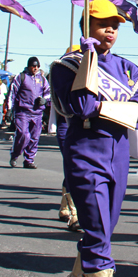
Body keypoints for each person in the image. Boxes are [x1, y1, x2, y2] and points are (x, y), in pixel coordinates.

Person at [50, 0, 138, 277]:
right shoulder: (66, 66)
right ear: (85, 26)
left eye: (115, 24)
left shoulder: (130, 69)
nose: (110, 29)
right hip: (85, 153)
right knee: (98, 228)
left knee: (105, 227)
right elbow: (78, 108)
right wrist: (88, 66)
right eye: (102, 23)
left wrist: (103, 109)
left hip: (118, 155)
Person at [8, 56, 50, 169]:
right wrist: (9, 109)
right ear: (29, 66)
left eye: (37, 66)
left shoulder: (42, 79)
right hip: (23, 112)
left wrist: (44, 100)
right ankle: (15, 155)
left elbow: (48, 92)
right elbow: (12, 93)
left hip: (37, 113)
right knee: (23, 135)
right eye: (33, 66)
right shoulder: (21, 77)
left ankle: (29, 160)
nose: (35, 68)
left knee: (34, 137)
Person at [55, 46, 80, 232]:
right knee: (72, 167)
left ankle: (65, 206)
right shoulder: (61, 71)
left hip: (84, 125)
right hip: (67, 123)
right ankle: (74, 214)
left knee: (75, 168)